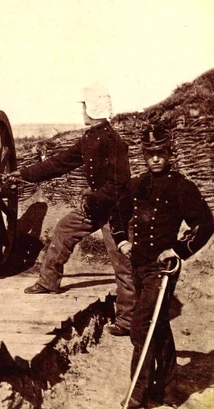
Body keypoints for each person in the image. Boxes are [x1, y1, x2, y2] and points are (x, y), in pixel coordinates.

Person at [4, 84, 135, 336]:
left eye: (85, 106)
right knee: (64, 229)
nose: (83, 111)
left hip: (115, 210)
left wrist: (94, 199)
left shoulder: (114, 142)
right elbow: (60, 162)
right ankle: (49, 281)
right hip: (95, 205)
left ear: (93, 108)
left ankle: (128, 320)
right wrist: (25, 174)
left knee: (121, 261)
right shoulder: (89, 138)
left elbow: (120, 183)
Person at [110, 124, 214, 408]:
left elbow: (205, 223)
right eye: (150, 154)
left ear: (169, 154)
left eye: (160, 153)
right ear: (144, 155)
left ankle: (138, 393)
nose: (155, 159)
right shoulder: (137, 185)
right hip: (139, 266)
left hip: (163, 270)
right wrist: (122, 243)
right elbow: (116, 216)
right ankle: (169, 391)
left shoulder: (181, 186)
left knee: (141, 325)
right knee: (159, 325)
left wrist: (178, 250)